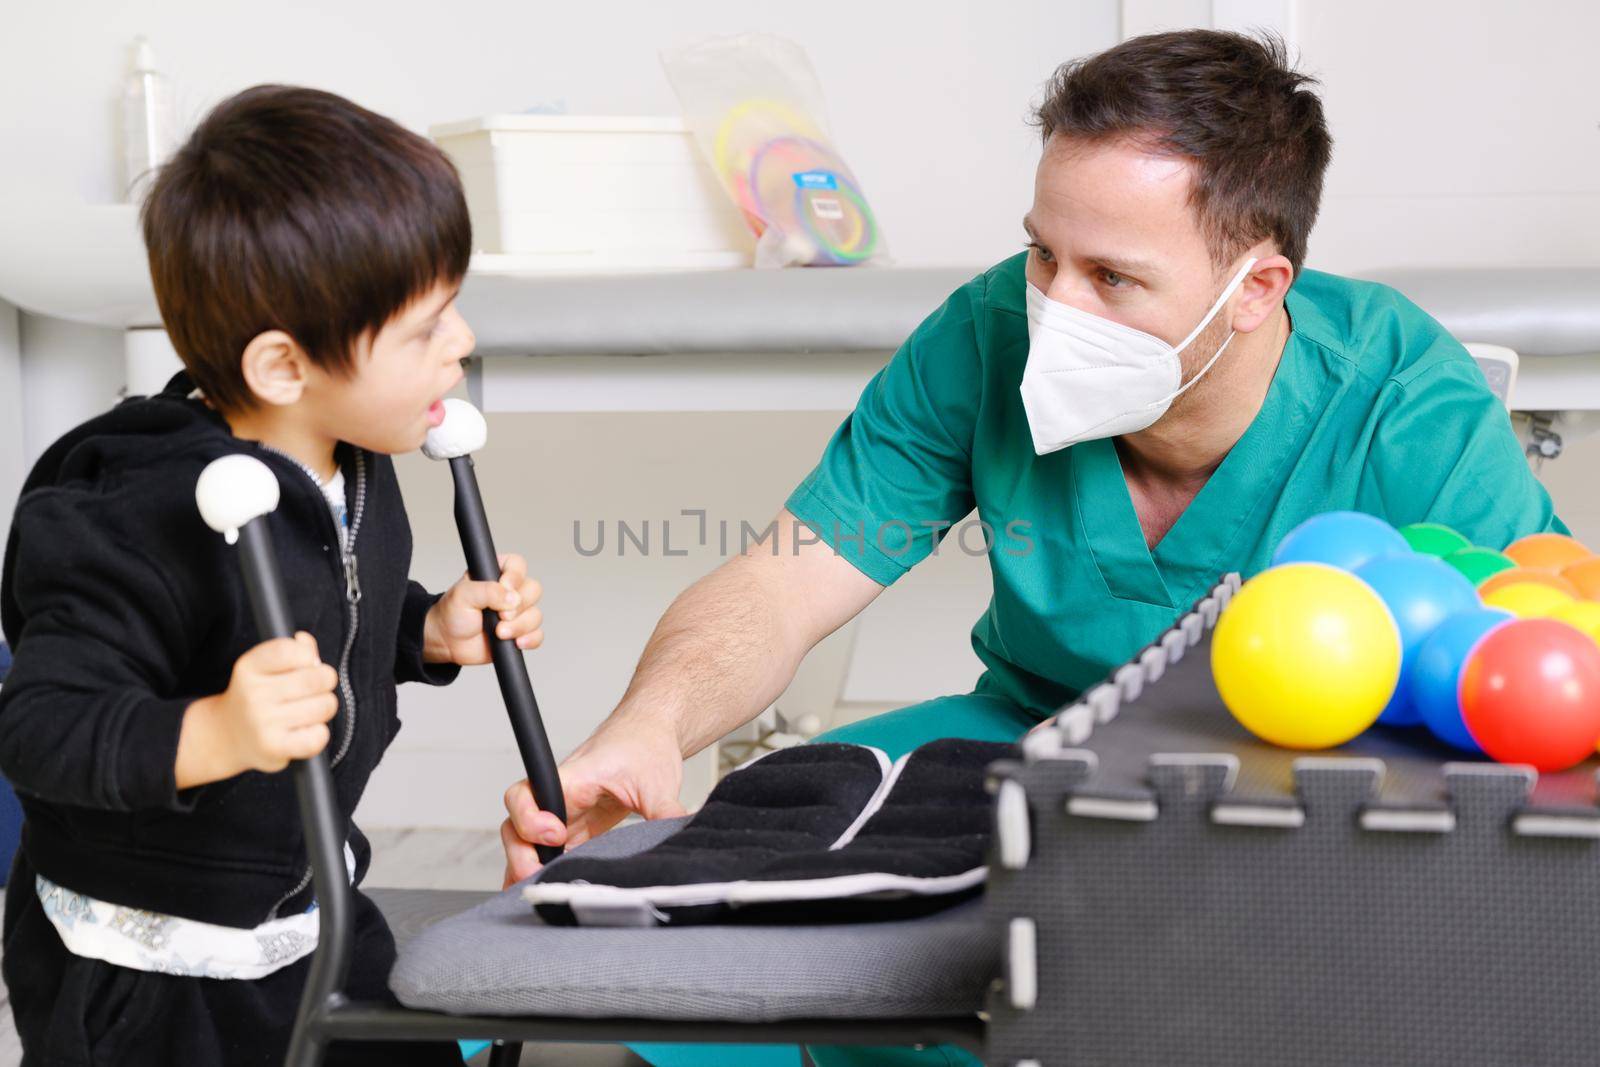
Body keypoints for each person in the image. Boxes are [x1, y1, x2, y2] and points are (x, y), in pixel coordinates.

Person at [501, 29, 1563, 1067]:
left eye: (1112, 278)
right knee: (678, 918)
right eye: (1041, 252)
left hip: (1299, 775)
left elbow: (1536, 664)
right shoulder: (981, 336)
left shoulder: (1398, 395)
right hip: (1020, 737)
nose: (1052, 307)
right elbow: (782, 582)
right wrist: (649, 726)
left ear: (1255, 287)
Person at [0, 85, 543, 1066]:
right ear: (286, 366)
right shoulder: (123, 510)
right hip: (152, 974)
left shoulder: (352, 457)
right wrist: (214, 731)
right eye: (424, 329)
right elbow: (40, 727)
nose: (460, 342)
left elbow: (317, 608)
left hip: (314, 910)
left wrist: (423, 631)